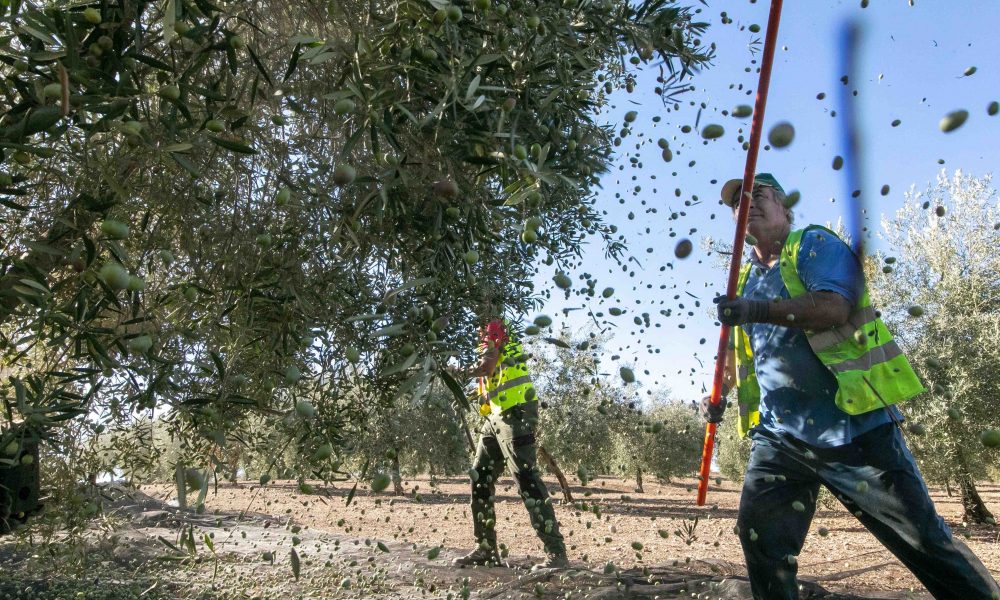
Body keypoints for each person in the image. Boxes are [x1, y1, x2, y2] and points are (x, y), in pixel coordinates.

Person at [701, 173, 1000, 600]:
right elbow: (745, 351)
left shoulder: (812, 244)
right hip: (781, 436)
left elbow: (833, 307)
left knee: (923, 542)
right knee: (761, 541)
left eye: (758, 194)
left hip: (853, 427)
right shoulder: (744, 279)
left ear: (785, 207)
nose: (746, 204)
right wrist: (718, 394)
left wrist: (755, 309)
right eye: (737, 203)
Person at [451, 312, 568, 570]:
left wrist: (453, 373)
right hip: (495, 416)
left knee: (526, 478)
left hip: (516, 413)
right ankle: (486, 549)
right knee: (480, 477)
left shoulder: (494, 327)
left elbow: (486, 367)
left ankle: (556, 553)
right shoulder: (488, 335)